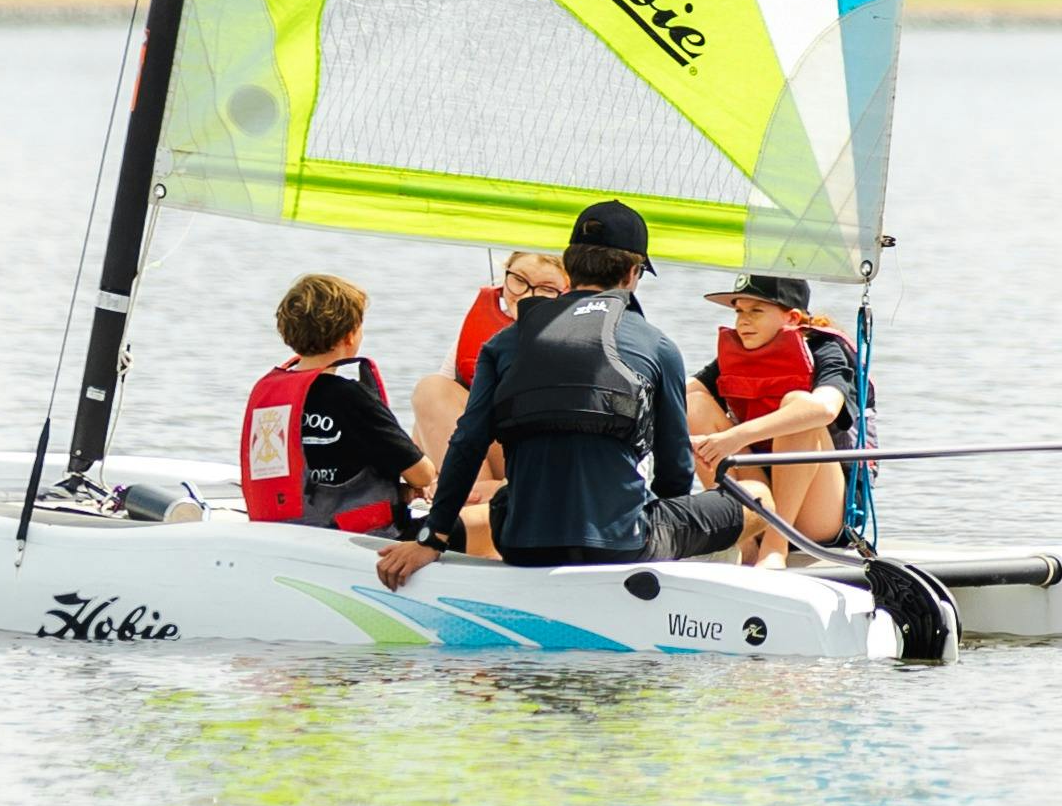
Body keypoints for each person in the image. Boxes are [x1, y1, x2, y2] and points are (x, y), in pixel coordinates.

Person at [373, 198, 745, 587]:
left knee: (506, 501)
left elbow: (467, 444)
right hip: (621, 546)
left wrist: (432, 539)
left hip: (521, 545)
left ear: (570, 267)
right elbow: (674, 472)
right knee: (753, 497)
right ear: (633, 274)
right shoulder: (658, 346)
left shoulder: (503, 343)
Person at [240, 273, 433, 535]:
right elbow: (422, 475)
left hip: (282, 529)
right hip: (354, 536)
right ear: (350, 336)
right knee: (481, 520)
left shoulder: (269, 394)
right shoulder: (351, 398)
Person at [689, 275, 858, 562]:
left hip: (817, 513)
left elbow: (826, 408)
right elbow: (683, 391)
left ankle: (775, 546)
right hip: (757, 496)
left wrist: (735, 437)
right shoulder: (739, 353)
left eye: (756, 311)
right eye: (739, 311)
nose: (743, 321)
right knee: (694, 404)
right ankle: (743, 540)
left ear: (792, 318)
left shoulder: (826, 350)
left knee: (800, 406)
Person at [410, 246, 568, 469]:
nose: (526, 295)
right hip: (484, 444)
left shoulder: (576, 338)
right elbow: (436, 403)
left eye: (546, 288)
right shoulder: (481, 328)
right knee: (430, 394)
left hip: (536, 455)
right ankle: (468, 490)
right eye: (519, 280)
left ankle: (476, 493)